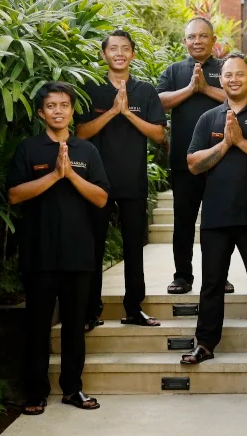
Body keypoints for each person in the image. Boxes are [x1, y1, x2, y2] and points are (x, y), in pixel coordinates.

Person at [7, 81, 109, 415]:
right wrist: (53, 175)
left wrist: (71, 176)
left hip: (79, 255)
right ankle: (36, 392)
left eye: (64, 105)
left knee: (74, 328)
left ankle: (72, 389)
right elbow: (14, 195)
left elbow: (101, 197)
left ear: (71, 110)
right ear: (41, 112)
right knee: (37, 327)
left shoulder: (86, 151)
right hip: (39, 255)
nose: (58, 111)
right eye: (51, 105)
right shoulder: (28, 149)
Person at [180, 53, 247, 371]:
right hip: (216, 216)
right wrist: (225, 144)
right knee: (211, 283)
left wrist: (239, 142)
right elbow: (193, 164)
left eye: (240, 74)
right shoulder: (209, 118)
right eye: (227, 75)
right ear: (221, 79)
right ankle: (205, 344)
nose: (233, 79)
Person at [77, 29, 167, 329]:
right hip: (96, 183)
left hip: (133, 180)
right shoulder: (91, 90)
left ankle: (133, 309)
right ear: (103, 55)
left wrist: (128, 113)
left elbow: (158, 135)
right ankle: (91, 311)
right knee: (93, 247)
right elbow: (80, 133)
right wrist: (112, 112)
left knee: (133, 248)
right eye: (113, 48)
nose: (119, 53)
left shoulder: (145, 91)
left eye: (125, 48)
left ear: (133, 54)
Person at [156, 18, 233, 295]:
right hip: (183, 161)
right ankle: (182, 277)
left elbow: (235, 95)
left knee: (219, 221)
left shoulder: (225, 69)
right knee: (184, 221)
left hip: (221, 160)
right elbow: (159, 101)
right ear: (185, 41)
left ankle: (219, 276)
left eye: (203, 36)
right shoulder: (174, 71)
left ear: (214, 41)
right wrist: (190, 89)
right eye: (192, 37)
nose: (197, 41)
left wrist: (205, 89)